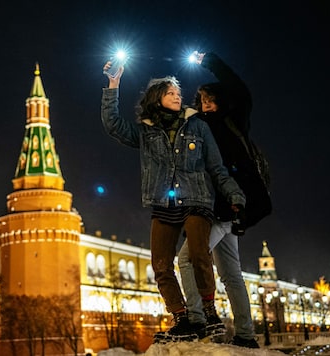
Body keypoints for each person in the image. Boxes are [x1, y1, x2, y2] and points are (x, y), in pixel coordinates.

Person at [100, 61, 246, 340]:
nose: (177, 97)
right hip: (163, 202)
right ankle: (182, 318)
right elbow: (113, 126)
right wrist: (113, 84)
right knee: (161, 265)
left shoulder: (198, 126)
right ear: (157, 98)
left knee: (199, 254)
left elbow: (216, 166)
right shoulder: (146, 131)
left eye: (178, 93)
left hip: (197, 199)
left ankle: (208, 312)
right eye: (170, 93)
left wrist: (234, 194)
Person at [177, 51, 265, 348]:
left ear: (222, 101)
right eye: (201, 101)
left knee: (187, 258)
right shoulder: (198, 127)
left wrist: (211, 61)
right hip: (215, 208)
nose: (206, 106)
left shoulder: (232, 120)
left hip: (228, 207)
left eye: (210, 100)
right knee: (230, 273)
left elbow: (240, 89)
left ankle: (197, 320)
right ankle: (246, 335)